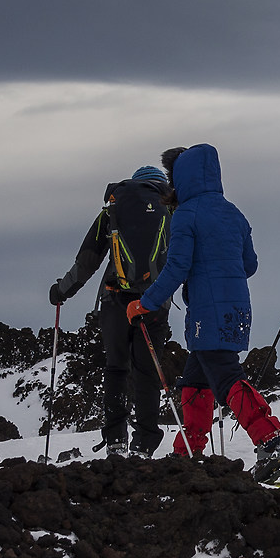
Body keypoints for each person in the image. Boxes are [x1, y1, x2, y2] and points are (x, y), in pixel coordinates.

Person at [129, 143, 280, 478]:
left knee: (225, 377)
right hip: (238, 309)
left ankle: (271, 441)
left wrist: (146, 303)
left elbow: (177, 267)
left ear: (181, 178)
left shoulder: (186, 216)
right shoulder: (234, 213)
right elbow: (249, 265)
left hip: (206, 314)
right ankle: (186, 456)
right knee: (196, 379)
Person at [49, 164, 176, 459]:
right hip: (154, 302)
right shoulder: (171, 211)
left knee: (117, 368)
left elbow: (87, 260)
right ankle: (144, 444)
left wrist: (61, 291)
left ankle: (116, 439)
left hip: (114, 299)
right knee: (147, 372)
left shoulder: (113, 209)